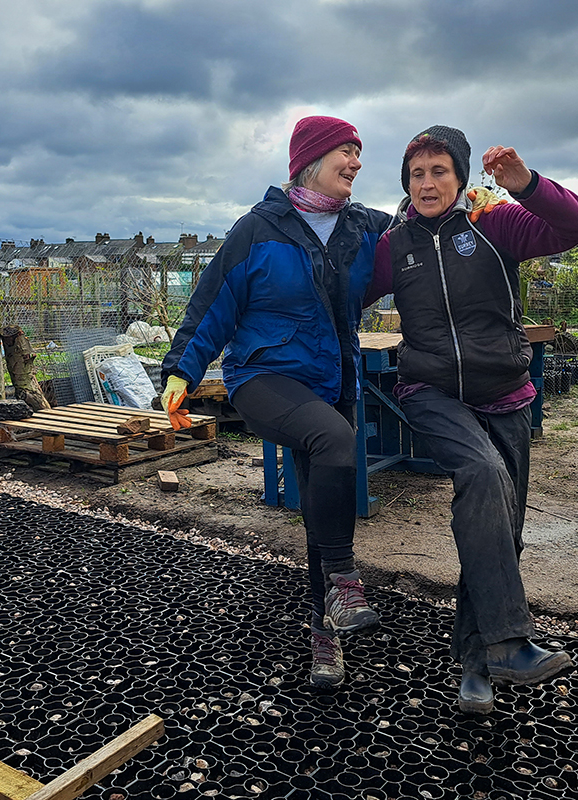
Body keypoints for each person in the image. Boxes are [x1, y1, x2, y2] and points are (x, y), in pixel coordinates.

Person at [367, 126, 578, 714]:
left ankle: (479, 663)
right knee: (483, 473)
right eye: (416, 173)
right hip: (430, 391)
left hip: (506, 394)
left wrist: (525, 184)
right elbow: (341, 290)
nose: (427, 183)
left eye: (439, 171)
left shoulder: (494, 224)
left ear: (462, 178)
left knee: (500, 530)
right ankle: (509, 642)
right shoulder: (397, 246)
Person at [160, 116, 394, 689]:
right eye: (347, 151)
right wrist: (182, 370)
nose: (357, 163)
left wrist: (473, 206)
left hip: (335, 383)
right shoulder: (259, 229)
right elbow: (213, 302)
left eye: (360, 153)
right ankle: (343, 579)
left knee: (322, 505)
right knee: (335, 440)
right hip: (263, 378)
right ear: (310, 159)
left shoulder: (364, 229)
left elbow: (424, 242)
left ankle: (324, 635)